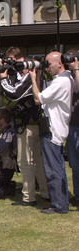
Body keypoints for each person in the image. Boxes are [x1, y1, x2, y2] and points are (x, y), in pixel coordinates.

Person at [0, 47, 49, 207]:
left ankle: (28, 197)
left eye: (18, 63)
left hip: (29, 125)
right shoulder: (19, 76)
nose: (16, 67)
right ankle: (46, 193)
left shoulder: (32, 77)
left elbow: (14, 94)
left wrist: (3, 79)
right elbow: (6, 98)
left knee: (25, 161)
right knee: (37, 162)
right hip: (26, 124)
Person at [30, 51, 78, 214]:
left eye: (49, 63)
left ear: (60, 63)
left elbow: (38, 99)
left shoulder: (61, 82)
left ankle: (59, 206)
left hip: (53, 130)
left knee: (53, 169)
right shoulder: (64, 79)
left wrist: (32, 78)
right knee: (56, 167)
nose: (47, 67)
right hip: (56, 128)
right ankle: (60, 202)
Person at [66, 50, 79, 207]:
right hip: (72, 124)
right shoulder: (67, 76)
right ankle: (77, 195)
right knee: (74, 164)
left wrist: (76, 69)